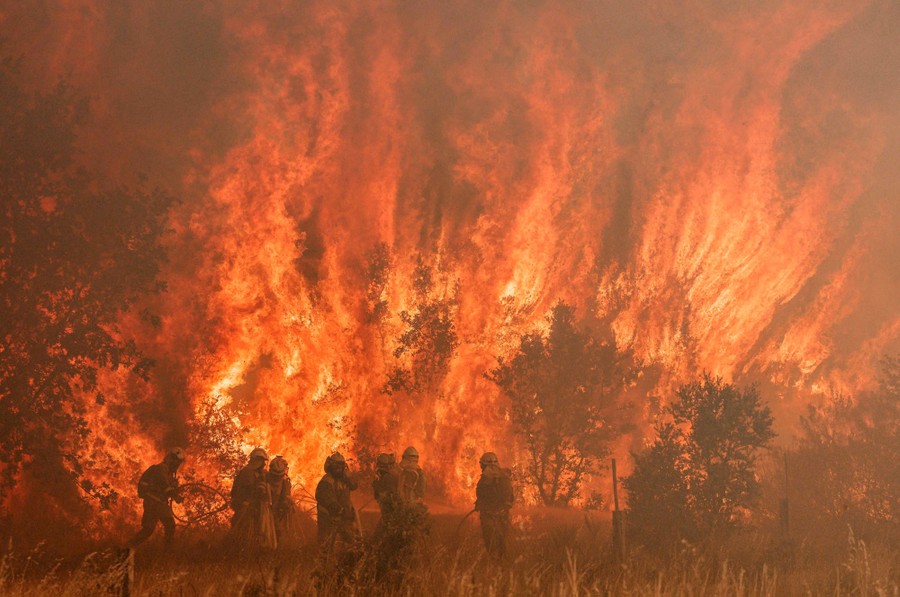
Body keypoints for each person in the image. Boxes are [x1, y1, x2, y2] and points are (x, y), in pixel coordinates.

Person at [127, 447, 185, 549]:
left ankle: (127, 548)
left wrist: (175, 490)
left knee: (150, 530)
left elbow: (169, 488)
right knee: (167, 526)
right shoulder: (161, 469)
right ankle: (167, 552)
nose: (177, 465)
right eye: (177, 462)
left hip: (156, 503)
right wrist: (175, 496)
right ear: (171, 459)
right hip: (154, 503)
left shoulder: (169, 473)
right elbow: (165, 487)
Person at [228, 447, 277, 551]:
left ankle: (251, 551)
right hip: (245, 506)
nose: (264, 464)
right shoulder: (247, 472)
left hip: (253, 507)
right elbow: (245, 491)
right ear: (256, 460)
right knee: (242, 530)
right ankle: (237, 551)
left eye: (264, 462)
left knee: (254, 531)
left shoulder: (259, 472)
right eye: (262, 461)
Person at [315, 452, 359, 550]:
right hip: (328, 518)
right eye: (336, 466)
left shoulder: (344, 479)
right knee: (326, 543)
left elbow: (354, 486)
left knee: (350, 542)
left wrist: (350, 476)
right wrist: (339, 510)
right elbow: (327, 499)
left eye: (341, 466)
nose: (339, 469)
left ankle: (346, 561)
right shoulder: (326, 482)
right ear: (331, 466)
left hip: (343, 516)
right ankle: (323, 562)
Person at [475, 452, 514, 559]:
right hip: (503, 515)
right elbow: (510, 496)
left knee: (490, 542)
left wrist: (480, 504)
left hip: (489, 515)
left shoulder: (486, 478)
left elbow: (482, 494)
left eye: (482, 464)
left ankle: (494, 563)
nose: (481, 466)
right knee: (502, 540)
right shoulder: (504, 476)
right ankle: (502, 562)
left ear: (484, 464)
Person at [267, 455, 300, 545]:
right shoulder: (264, 480)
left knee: (276, 533)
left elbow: (285, 497)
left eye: (279, 476)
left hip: (276, 513)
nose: (277, 479)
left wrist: (287, 504)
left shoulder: (285, 483)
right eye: (275, 476)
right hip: (264, 512)